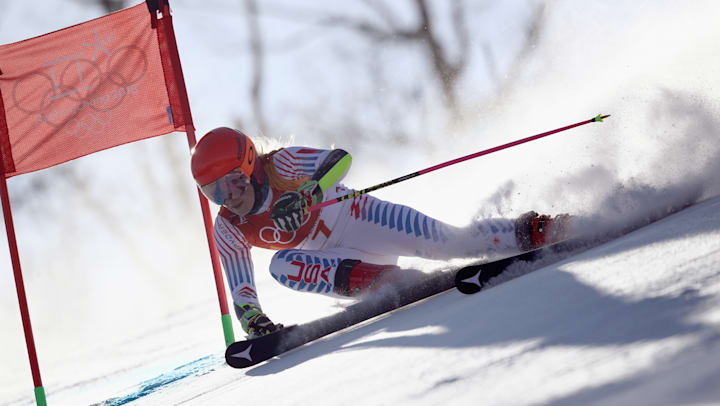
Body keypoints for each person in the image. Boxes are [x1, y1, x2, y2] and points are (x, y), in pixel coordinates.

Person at [191, 127, 569, 338]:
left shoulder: (282, 165)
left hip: (361, 217)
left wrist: (309, 192)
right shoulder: (228, 228)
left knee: (449, 243)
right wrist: (252, 319)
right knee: (281, 266)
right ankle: (389, 281)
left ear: (251, 166)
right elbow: (241, 288)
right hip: (340, 262)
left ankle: (537, 229)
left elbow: (338, 160)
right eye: (214, 192)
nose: (229, 196)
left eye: (234, 181)